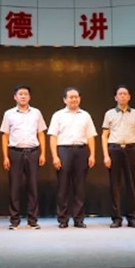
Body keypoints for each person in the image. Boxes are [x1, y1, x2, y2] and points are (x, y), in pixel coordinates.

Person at [48, 87, 97, 228]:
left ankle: (78, 219)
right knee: (63, 186)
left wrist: (92, 154)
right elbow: (53, 136)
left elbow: (90, 136)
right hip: (64, 150)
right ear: (65, 100)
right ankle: (63, 219)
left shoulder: (85, 115)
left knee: (80, 187)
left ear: (79, 99)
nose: (74, 99)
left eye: (76, 97)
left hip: (81, 151)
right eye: (71, 97)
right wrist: (55, 156)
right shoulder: (58, 115)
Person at [0, 85, 47, 230]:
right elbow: (5, 135)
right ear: (15, 97)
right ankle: (15, 220)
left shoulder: (36, 113)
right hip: (15, 152)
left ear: (29, 97)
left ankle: (32, 221)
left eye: (26, 94)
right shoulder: (9, 114)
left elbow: (41, 133)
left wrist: (43, 153)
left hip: (33, 151)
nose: (23, 96)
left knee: (33, 186)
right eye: (20, 94)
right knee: (14, 187)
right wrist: (5, 156)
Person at [101, 85, 135, 228]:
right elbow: (104, 135)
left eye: (125, 94)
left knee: (131, 185)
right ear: (115, 97)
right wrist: (106, 155)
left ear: (129, 97)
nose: (123, 96)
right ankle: (116, 218)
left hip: (131, 149)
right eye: (120, 94)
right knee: (115, 185)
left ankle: (132, 218)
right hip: (114, 149)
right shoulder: (109, 114)